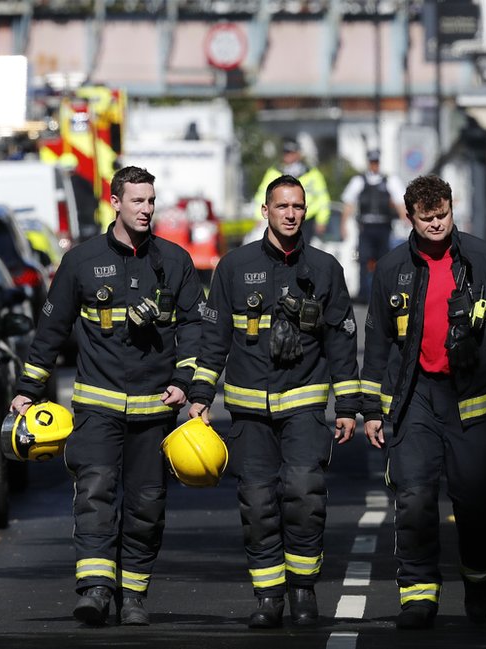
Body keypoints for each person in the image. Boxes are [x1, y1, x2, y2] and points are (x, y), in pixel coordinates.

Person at [9, 166, 204, 627]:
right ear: (114, 202)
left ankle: (133, 594)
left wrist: (187, 383)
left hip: (155, 409)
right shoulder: (80, 261)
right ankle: (96, 589)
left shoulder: (175, 262)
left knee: (147, 505)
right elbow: (51, 331)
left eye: (151, 201)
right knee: (95, 494)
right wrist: (27, 391)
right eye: (137, 201)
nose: (146, 209)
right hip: (96, 408)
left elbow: (196, 327)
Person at [360, 174, 486, 630]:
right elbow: (378, 342)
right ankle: (419, 597)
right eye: (427, 219)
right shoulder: (391, 270)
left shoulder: (484, 260)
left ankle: (478, 580)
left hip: (472, 399)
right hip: (415, 397)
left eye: (442, 214)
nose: (437, 225)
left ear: (451, 207)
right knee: (415, 497)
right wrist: (371, 409)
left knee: (478, 502)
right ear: (411, 218)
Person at [187, 174, 361, 629]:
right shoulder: (233, 266)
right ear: (265, 211)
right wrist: (201, 395)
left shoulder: (325, 269)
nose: (290, 214)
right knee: (258, 502)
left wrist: (347, 407)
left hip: (304, 405)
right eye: (282, 206)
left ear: (305, 212)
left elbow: (342, 342)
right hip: (248, 413)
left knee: (304, 494)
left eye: (297, 207)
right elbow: (214, 337)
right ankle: (269, 596)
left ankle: (303, 589)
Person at [339, 148, 407, 302]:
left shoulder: (389, 180)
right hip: (366, 227)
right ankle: (364, 294)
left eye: (376, 162)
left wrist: (405, 220)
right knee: (363, 260)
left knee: (383, 261)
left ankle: (382, 293)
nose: (374, 165)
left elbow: (399, 203)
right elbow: (348, 203)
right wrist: (343, 224)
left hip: (383, 227)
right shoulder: (359, 181)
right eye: (372, 162)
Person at [252, 138, 331, 244]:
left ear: (298, 154)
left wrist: (322, 220)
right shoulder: (274, 172)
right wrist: (259, 216)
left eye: (291, 152)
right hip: (283, 217)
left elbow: (323, 199)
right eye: (285, 152)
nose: (288, 156)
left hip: (306, 220)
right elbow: (262, 195)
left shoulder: (312, 174)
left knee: (304, 251)